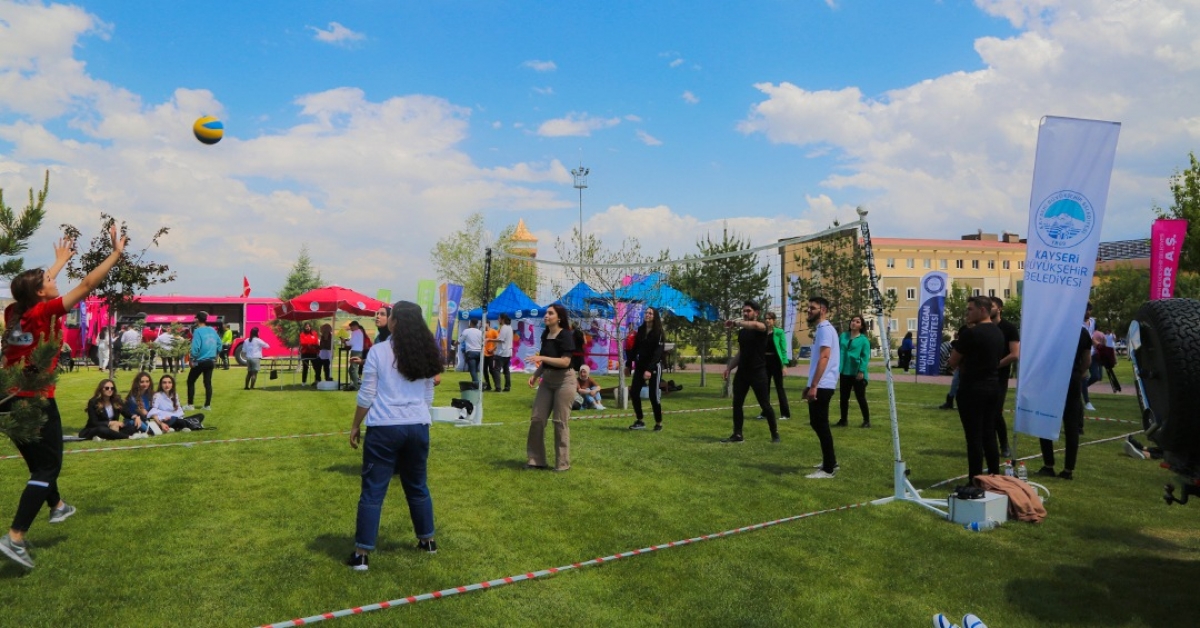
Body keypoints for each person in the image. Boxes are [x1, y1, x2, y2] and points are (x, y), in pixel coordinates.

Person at [1, 229, 124, 570]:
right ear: (40, 293)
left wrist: (58, 263)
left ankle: (56, 506)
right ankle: (15, 536)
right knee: (47, 467)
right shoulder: (44, 313)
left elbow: (31, 292)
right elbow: (86, 285)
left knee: (38, 464)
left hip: (6, 399)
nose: (53, 279)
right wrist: (115, 254)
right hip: (34, 399)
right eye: (48, 279)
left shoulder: (14, 313)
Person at [348, 301, 444, 571]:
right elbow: (428, 394)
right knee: (417, 485)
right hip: (417, 426)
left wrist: (355, 425)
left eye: (389, 316)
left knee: (373, 490)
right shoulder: (426, 351)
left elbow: (367, 394)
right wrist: (420, 416)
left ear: (396, 322)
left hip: (384, 428)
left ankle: (361, 554)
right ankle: (428, 541)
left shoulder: (379, 351)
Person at [947, 296, 1006, 481]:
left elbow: (953, 361)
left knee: (974, 437)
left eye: (970, 309)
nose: (967, 313)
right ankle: (994, 475)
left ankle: (975, 478)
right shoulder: (998, 332)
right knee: (989, 434)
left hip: (972, 388)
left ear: (982, 310)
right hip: (993, 386)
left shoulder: (971, 333)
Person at [1035, 323, 1090, 480]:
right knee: (1072, 425)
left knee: (1046, 421)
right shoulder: (1082, 332)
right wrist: (1078, 372)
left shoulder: (1051, 328)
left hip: (1051, 377)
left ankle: (1048, 465)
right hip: (1073, 377)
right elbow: (1087, 360)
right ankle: (1068, 469)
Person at [526, 304, 575, 472]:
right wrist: (535, 375)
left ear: (559, 318)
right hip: (546, 380)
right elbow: (546, 361)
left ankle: (562, 464)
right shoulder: (546, 334)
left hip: (565, 381)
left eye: (550, 313)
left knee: (560, 422)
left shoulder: (566, 335)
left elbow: (565, 362)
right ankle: (536, 461)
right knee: (537, 419)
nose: (546, 315)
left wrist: (542, 358)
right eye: (546, 313)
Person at [721, 300, 779, 444]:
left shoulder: (762, 326)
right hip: (743, 373)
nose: (745, 313)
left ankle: (775, 434)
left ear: (756, 313)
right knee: (737, 403)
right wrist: (729, 368)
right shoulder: (742, 332)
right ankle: (737, 434)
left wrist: (735, 323)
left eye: (748, 311)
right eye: (744, 311)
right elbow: (741, 353)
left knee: (765, 405)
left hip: (758, 372)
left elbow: (754, 325)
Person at [804, 297, 841, 478]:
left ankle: (828, 469)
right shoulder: (822, 329)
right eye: (808, 308)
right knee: (818, 423)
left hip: (823, 384)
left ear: (823, 310)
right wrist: (809, 385)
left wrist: (814, 385)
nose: (809, 311)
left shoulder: (825, 329)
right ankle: (830, 461)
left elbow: (824, 358)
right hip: (821, 383)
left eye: (812, 308)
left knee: (820, 424)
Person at [990, 297, 1020, 458]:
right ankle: (987, 445)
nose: (988, 308)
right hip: (981, 376)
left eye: (992, 306)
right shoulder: (983, 327)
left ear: (999, 309)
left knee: (995, 412)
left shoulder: (1009, 328)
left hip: (999, 377)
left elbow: (1014, 354)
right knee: (983, 413)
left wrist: (995, 365)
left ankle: (1004, 444)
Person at [627, 307, 665, 431]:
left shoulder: (659, 332)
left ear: (654, 316)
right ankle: (640, 420)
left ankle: (658, 423)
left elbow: (658, 353)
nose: (647, 314)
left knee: (653, 396)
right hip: (640, 365)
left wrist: (649, 369)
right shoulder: (641, 329)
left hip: (654, 366)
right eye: (646, 312)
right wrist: (628, 364)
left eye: (650, 313)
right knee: (634, 392)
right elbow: (635, 348)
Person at [837, 314, 871, 428]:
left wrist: (861, 371)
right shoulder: (843, 336)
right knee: (843, 398)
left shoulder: (864, 340)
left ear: (861, 326)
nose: (854, 323)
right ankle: (843, 420)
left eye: (857, 322)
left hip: (857, 373)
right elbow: (838, 351)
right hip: (844, 371)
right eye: (852, 321)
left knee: (860, 397)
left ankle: (866, 421)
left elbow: (865, 357)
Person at [186, 311, 221, 410]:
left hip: (200, 361)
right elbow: (219, 344)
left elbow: (195, 347)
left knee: (190, 381)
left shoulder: (197, 331)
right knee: (207, 383)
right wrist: (216, 354)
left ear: (197, 319)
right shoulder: (212, 330)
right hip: (211, 361)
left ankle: (190, 405)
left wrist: (191, 359)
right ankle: (207, 405)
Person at [125, 371, 158, 436]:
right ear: (137, 383)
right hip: (133, 420)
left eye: (147, 381)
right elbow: (144, 413)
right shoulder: (133, 397)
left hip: (145, 419)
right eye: (142, 382)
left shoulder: (151, 395)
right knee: (152, 430)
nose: (145, 384)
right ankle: (148, 431)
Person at [458, 320, 483, 385]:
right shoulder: (480, 332)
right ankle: (476, 382)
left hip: (471, 352)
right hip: (479, 352)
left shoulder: (466, 331)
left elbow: (460, 340)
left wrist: (455, 343)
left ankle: (476, 384)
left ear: (470, 323)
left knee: (472, 370)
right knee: (475, 369)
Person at [495, 314, 514, 392]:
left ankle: (498, 387)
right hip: (508, 352)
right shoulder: (509, 327)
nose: (498, 320)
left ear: (502, 319)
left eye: (499, 318)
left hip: (502, 352)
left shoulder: (504, 327)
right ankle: (507, 387)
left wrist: (489, 340)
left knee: (497, 370)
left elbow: (501, 340)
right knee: (506, 370)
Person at [346, 321, 366, 390]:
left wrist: (345, 342)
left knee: (353, 369)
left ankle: (356, 385)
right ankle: (354, 384)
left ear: (355, 326)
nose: (351, 328)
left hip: (355, 351)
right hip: (360, 351)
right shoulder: (360, 332)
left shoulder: (355, 332)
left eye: (351, 327)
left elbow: (352, 342)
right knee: (351, 369)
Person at [482, 320, 500, 392]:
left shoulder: (493, 331)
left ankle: (497, 386)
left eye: (484, 323)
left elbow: (498, 341)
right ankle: (488, 385)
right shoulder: (482, 332)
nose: (483, 325)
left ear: (488, 324)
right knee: (484, 370)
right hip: (483, 354)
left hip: (491, 354)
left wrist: (493, 348)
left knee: (492, 370)